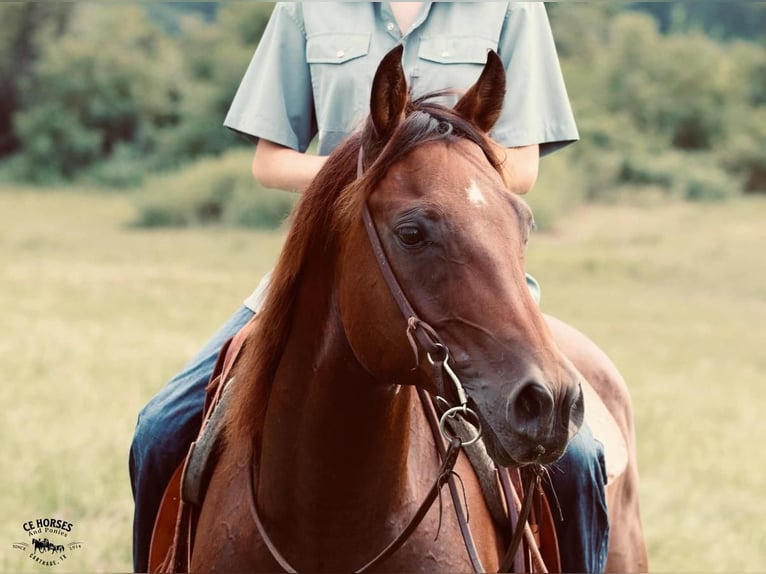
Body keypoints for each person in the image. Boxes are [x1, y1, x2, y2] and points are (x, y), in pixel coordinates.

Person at [129, 3, 610, 572]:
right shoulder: (306, 7)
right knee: (159, 430)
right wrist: (368, 177)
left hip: (469, 279)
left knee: (577, 457)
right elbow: (269, 161)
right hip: (323, 283)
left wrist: (416, 168)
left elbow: (522, 166)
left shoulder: (510, 7)